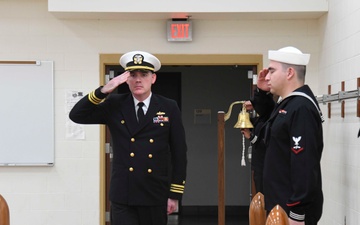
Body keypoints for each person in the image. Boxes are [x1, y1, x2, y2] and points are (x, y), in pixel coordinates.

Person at [69, 50, 188, 225]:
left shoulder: (168, 107)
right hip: (124, 194)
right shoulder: (115, 104)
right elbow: (77, 115)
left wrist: (175, 194)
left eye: (144, 74)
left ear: (153, 78)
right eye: (132, 75)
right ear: (126, 79)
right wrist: (104, 90)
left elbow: (179, 153)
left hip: (154, 192)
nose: (138, 79)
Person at [255, 46, 324, 225]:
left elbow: (305, 164)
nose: (267, 76)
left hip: (291, 211)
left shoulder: (301, 108)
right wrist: (262, 93)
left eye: (272, 70)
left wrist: (297, 213)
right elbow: (269, 122)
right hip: (280, 205)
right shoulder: (288, 104)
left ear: (290, 73)